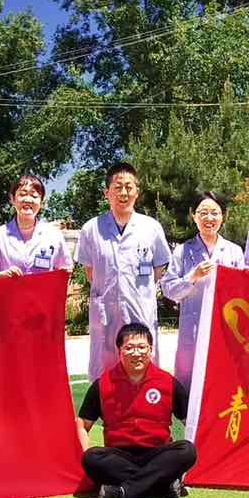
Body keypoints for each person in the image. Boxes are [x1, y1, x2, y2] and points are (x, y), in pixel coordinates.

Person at [76, 322, 197, 498]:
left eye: (142, 347)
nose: (136, 353)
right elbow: (82, 424)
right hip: (119, 457)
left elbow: (191, 422)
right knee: (91, 458)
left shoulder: (168, 382)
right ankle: (162, 485)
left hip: (158, 454)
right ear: (119, 351)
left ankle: (120, 492)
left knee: (187, 450)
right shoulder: (102, 384)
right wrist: (85, 450)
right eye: (129, 348)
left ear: (151, 350)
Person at [76, 162, 171, 379]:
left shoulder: (151, 227)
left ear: (137, 192)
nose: (124, 193)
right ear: (106, 193)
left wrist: (135, 291)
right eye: (117, 187)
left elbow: (158, 270)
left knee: (143, 370)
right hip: (105, 312)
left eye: (129, 187)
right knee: (106, 372)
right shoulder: (91, 229)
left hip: (140, 309)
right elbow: (90, 272)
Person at [160, 190, 245, 391]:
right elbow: (168, 289)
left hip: (224, 330)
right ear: (194, 216)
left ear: (223, 216)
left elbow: (243, 291)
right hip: (193, 330)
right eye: (203, 212)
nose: (209, 218)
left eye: (214, 213)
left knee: (223, 386)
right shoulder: (182, 251)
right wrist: (192, 277)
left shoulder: (234, 251)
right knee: (189, 387)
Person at [0, 172, 71, 278]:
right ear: (12, 199)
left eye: (34, 196)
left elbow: (66, 270)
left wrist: (64, 272)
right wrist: (2, 275)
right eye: (22, 194)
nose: (28, 200)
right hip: (8, 290)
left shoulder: (54, 235)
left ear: (41, 202)